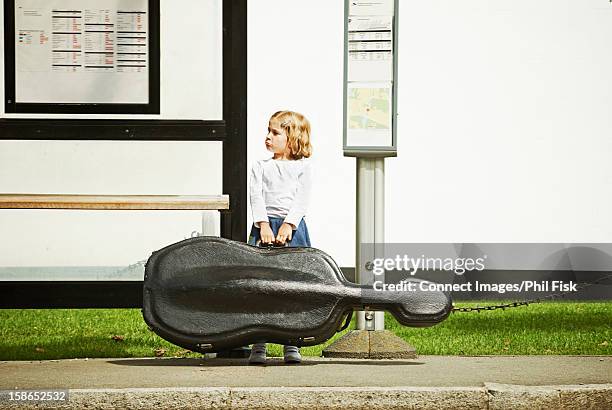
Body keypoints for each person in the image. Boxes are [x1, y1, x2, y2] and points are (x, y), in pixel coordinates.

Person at [247, 110, 313, 364]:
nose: (268, 137)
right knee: (260, 287)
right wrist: (263, 225)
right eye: (268, 131)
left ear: (292, 138)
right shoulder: (260, 167)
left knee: (292, 288)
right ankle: (258, 343)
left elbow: (301, 199)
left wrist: (289, 225)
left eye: (275, 133)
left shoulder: (302, 168)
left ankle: (291, 343)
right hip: (265, 228)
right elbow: (256, 196)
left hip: (291, 230)